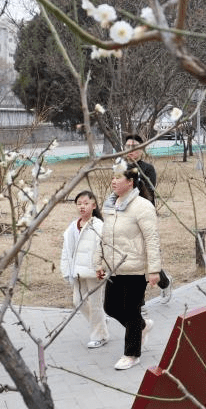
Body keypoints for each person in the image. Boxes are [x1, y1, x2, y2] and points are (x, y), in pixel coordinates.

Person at [95, 165, 162, 370]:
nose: (113, 181)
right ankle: (142, 327)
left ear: (130, 182)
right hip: (114, 266)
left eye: (118, 178)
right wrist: (99, 262)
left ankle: (132, 354)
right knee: (111, 307)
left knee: (131, 310)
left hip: (135, 267)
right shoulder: (110, 205)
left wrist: (154, 270)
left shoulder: (142, 206)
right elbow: (103, 236)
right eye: (112, 177)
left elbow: (152, 239)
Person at [123, 133, 173, 303]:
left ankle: (163, 284)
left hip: (143, 217)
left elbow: (148, 191)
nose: (131, 150)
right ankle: (141, 300)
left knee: (146, 257)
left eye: (134, 147)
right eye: (128, 146)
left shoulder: (148, 168)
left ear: (141, 149)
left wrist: (135, 174)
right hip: (125, 218)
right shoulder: (120, 167)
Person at [60, 190, 109, 349]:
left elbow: (104, 249)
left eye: (86, 203)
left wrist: (101, 267)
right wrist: (67, 269)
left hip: (94, 272)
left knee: (95, 304)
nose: (82, 206)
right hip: (78, 272)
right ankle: (100, 322)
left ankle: (99, 335)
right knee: (77, 302)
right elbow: (67, 250)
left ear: (93, 205)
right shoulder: (72, 226)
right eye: (79, 204)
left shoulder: (99, 226)